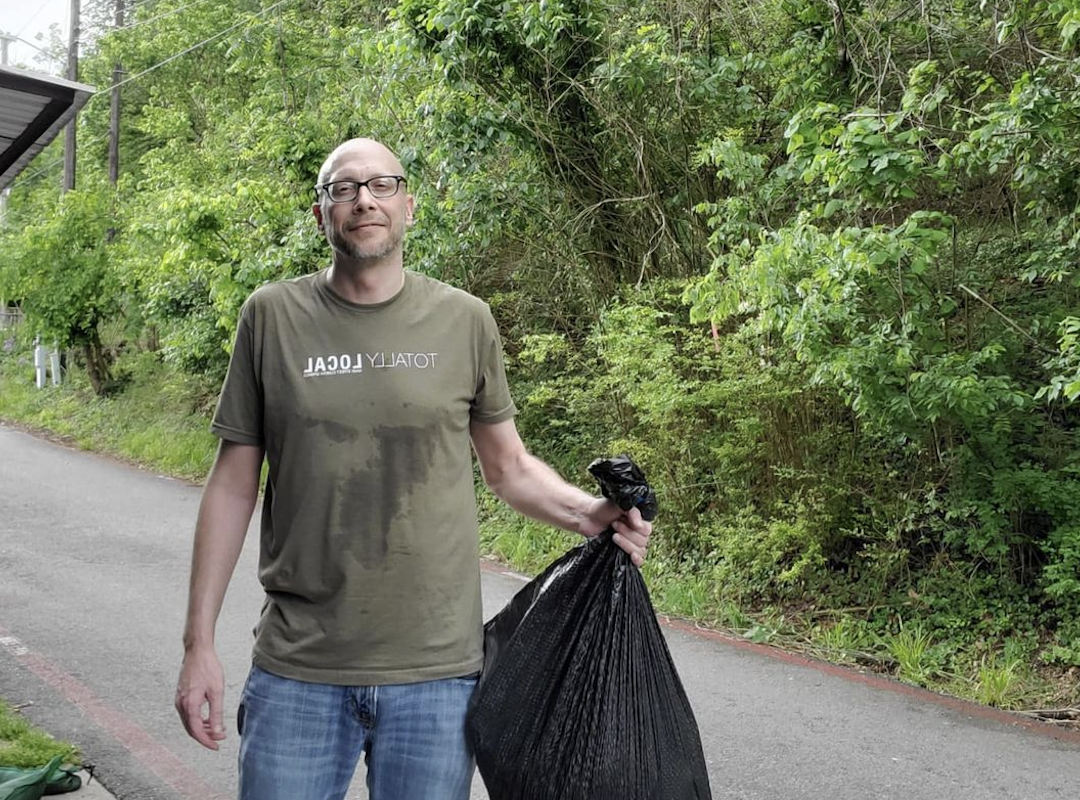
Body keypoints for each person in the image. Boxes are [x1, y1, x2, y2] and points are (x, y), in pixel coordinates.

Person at [173, 137, 653, 800]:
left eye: (382, 185)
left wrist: (589, 516)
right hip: (299, 670)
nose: (364, 199)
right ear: (321, 215)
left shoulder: (464, 321)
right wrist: (198, 645)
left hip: (439, 676)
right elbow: (231, 486)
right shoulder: (273, 317)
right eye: (344, 187)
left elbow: (508, 466)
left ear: (409, 206)